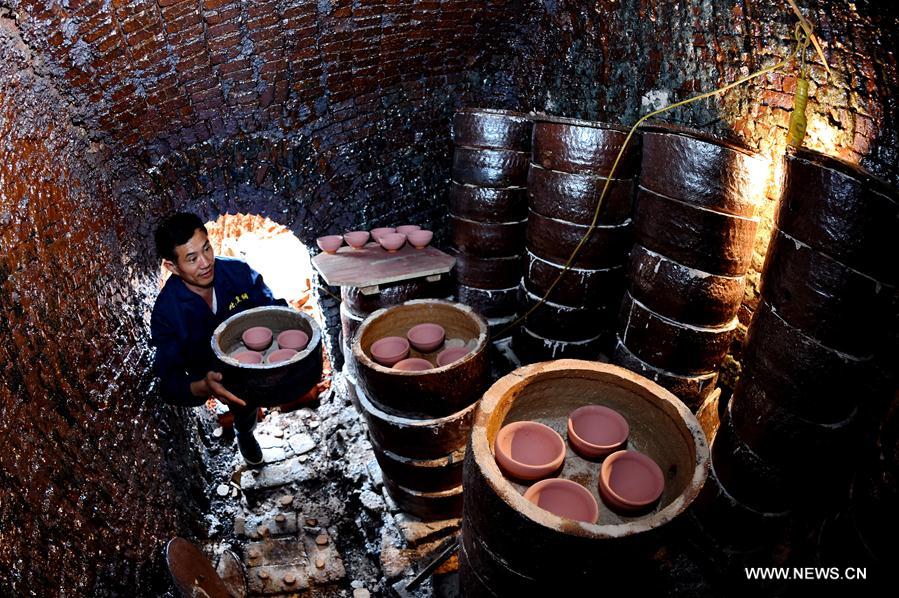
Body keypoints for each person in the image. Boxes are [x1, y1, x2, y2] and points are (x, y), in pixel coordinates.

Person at [150, 212, 287, 466]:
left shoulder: (238, 273)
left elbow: (275, 309)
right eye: (192, 259)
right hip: (215, 376)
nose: (205, 263)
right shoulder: (167, 313)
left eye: (207, 248)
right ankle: (244, 433)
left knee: (252, 401)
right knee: (242, 406)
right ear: (172, 266)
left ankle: (245, 428)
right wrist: (205, 386)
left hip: (254, 362)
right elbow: (168, 384)